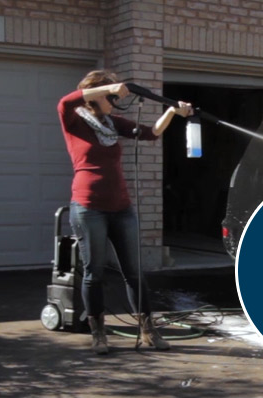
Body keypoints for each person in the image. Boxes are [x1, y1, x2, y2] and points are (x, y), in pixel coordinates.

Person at [58, 70, 193, 354]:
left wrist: (172, 111)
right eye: (110, 97)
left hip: (121, 208)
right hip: (88, 207)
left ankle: (148, 331)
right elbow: (66, 102)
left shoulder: (111, 123)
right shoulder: (74, 121)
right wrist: (113, 86)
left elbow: (151, 133)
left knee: (134, 272)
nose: (115, 101)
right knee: (94, 273)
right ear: (97, 96)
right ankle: (99, 335)